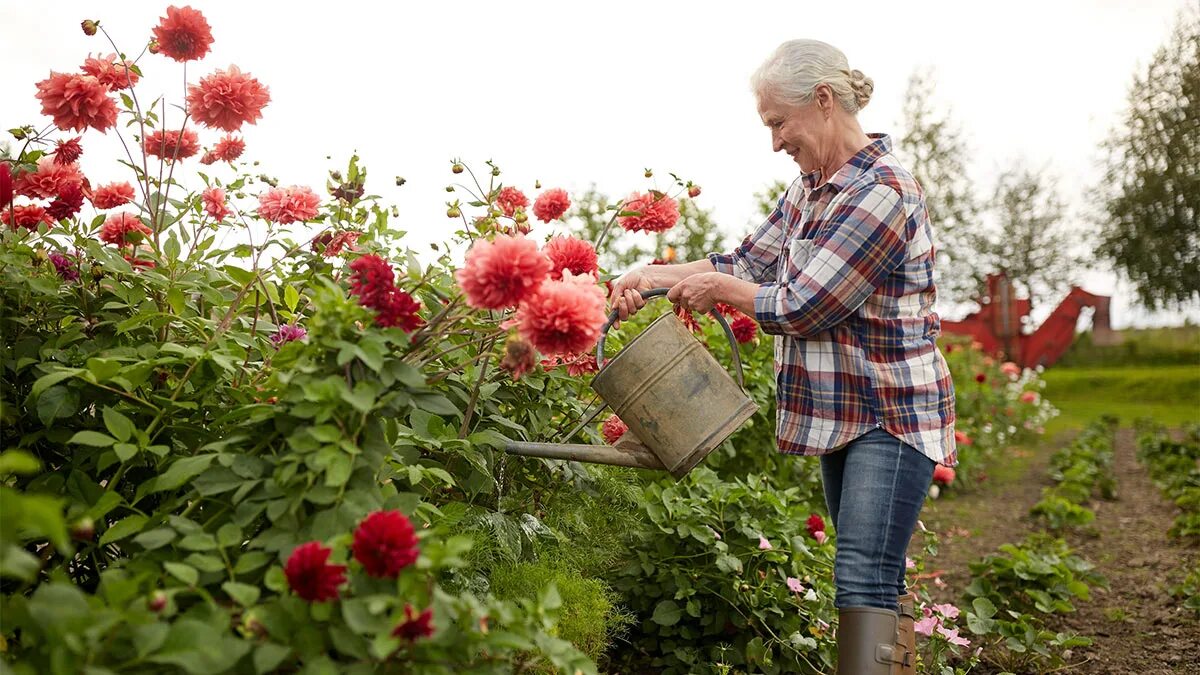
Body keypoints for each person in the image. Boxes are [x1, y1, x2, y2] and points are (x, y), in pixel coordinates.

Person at [609, 39, 957, 675]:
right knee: (871, 576)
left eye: (778, 123)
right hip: (842, 417)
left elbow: (803, 304)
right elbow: (745, 263)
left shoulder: (882, 192)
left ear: (823, 101)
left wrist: (718, 290)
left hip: (889, 415)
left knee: (862, 576)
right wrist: (650, 275)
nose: (774, 143)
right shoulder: (810, 189)